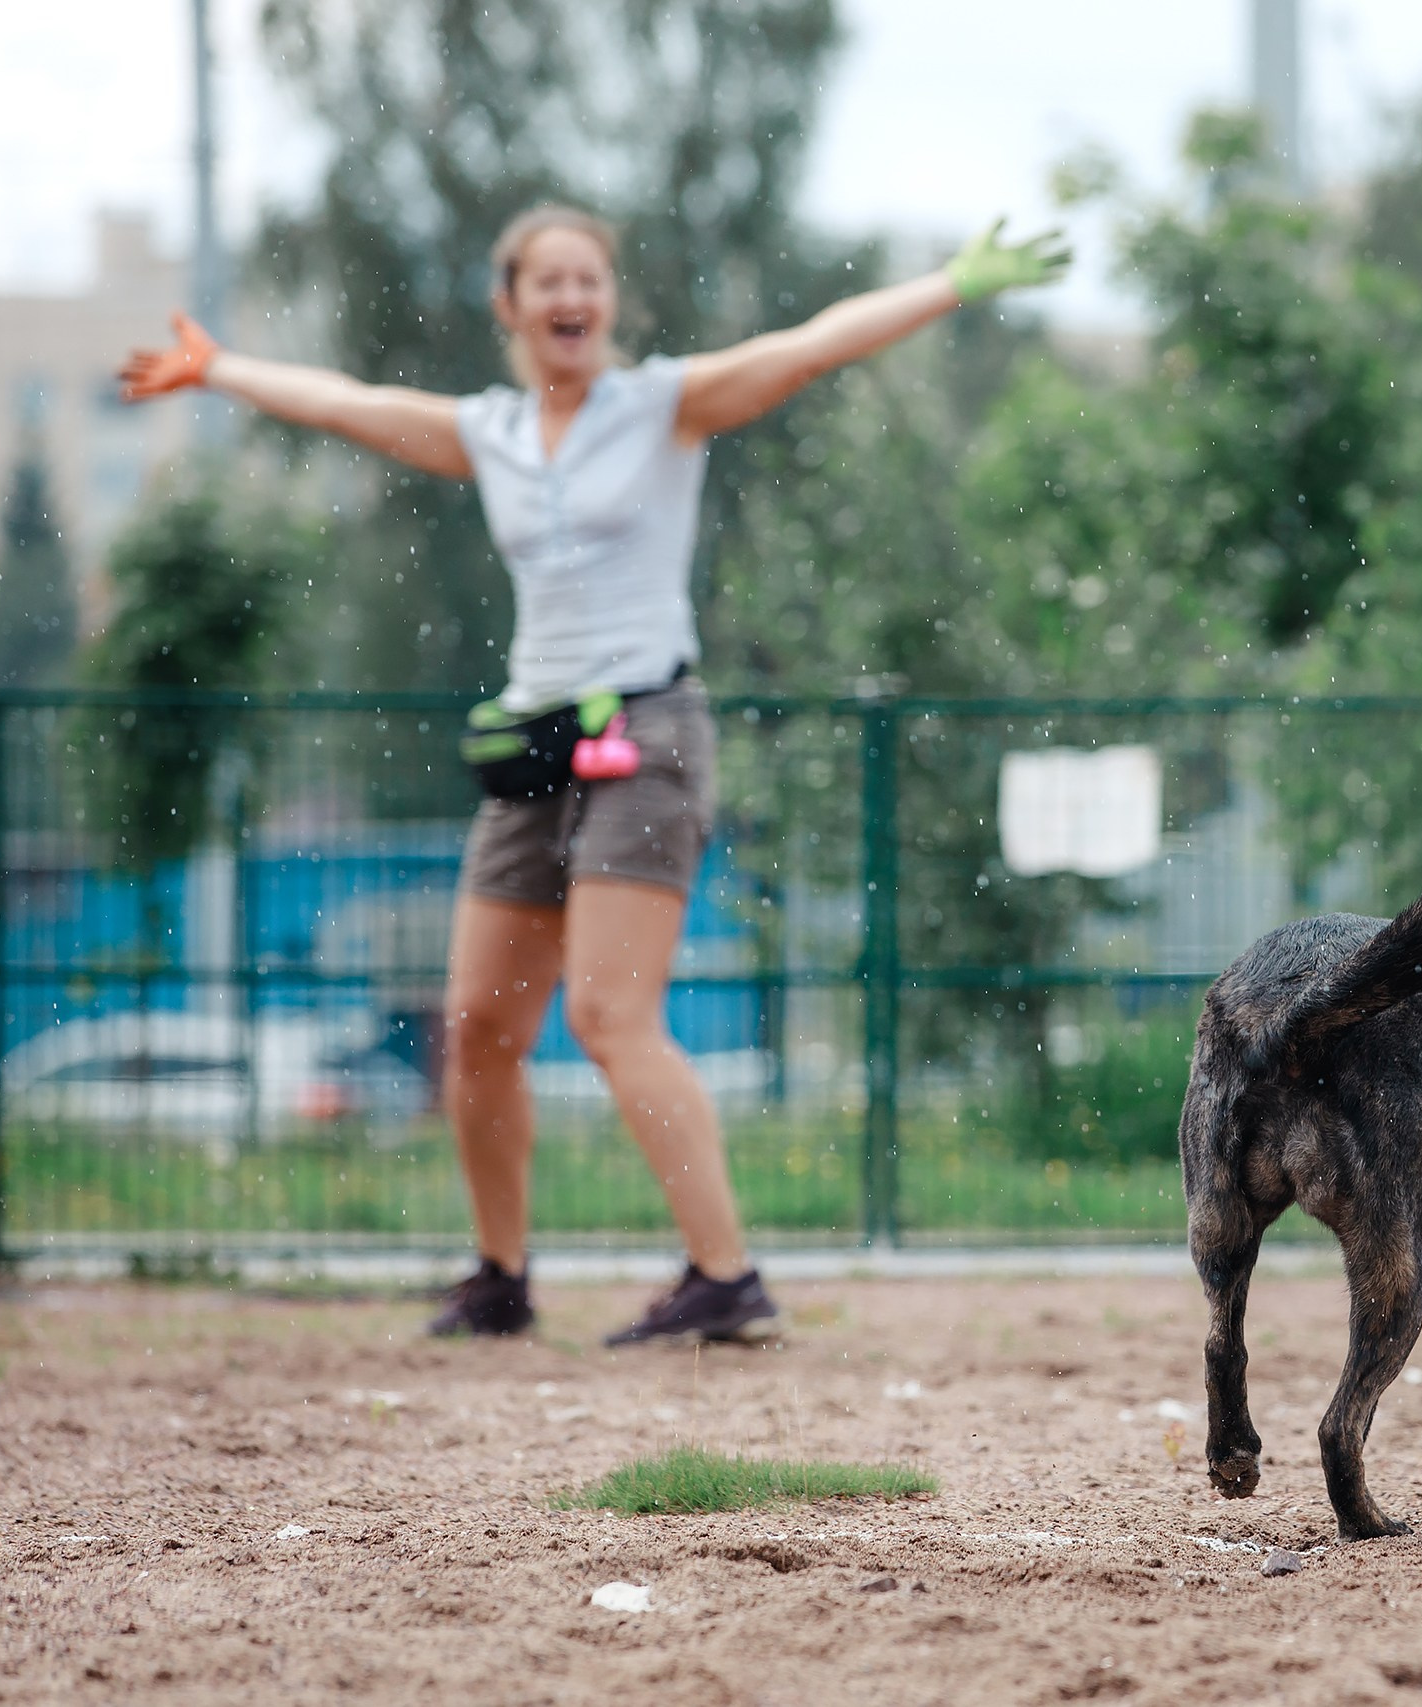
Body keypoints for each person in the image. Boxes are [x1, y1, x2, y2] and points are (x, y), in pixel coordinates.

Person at [118, 204, 1067, 1345]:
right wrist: (220, 369)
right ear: (510, 306)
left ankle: (725, 1277)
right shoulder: (492, 432)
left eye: (590, 279)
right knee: (477, 1027)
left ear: (611, 300)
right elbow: (351, 405)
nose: (572, 297)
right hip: (530, 743)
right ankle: (499, 1276)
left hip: (646, 734)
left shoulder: (663, 405)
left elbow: (807, 349)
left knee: (611, 1013)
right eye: (548, 281)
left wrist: (951, 281)